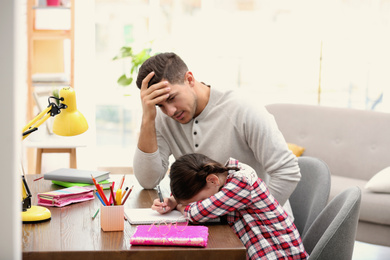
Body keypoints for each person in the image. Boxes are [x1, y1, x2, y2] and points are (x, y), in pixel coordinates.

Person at [134, 52, 301, 216]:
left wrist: (253, 218)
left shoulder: (243, 109)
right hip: (209, 223)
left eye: (171, 98)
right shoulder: (163, 118)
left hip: (260, 228)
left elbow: (287, 171)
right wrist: (148, 119)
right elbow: (148, 180)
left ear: (190, 79)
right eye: (159, 105)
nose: (169, 111)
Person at [169, 153, 308, 260]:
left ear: (212, 180)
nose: (199, 204)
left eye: (201, 200)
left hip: (280, 255)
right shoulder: (222, 181)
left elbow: (197, 213)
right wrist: (176, 201)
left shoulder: (242, 182)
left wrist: (181, 206)